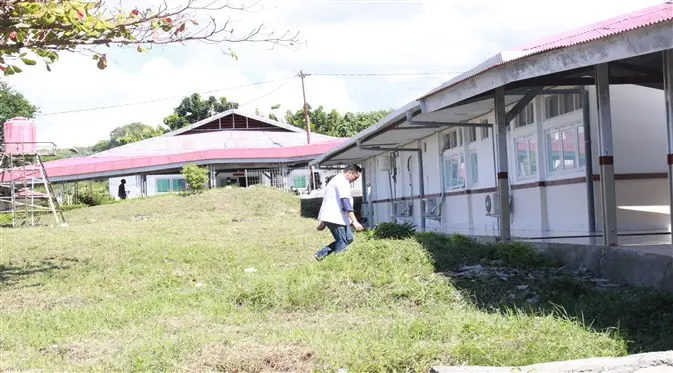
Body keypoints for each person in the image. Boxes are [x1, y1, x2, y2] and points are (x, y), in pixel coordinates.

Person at [313, 164, 363, 261]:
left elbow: (332, 201)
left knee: (348, 238)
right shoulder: (342, 182)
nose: (355, 180)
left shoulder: (337, 180)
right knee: (342, 241)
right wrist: (355, 221)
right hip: (335, 218)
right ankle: (339, 264)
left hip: (334, 216)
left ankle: (320, 254)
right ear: (349, 173)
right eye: (356, 177)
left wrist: (324, 221)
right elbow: (346, 203)